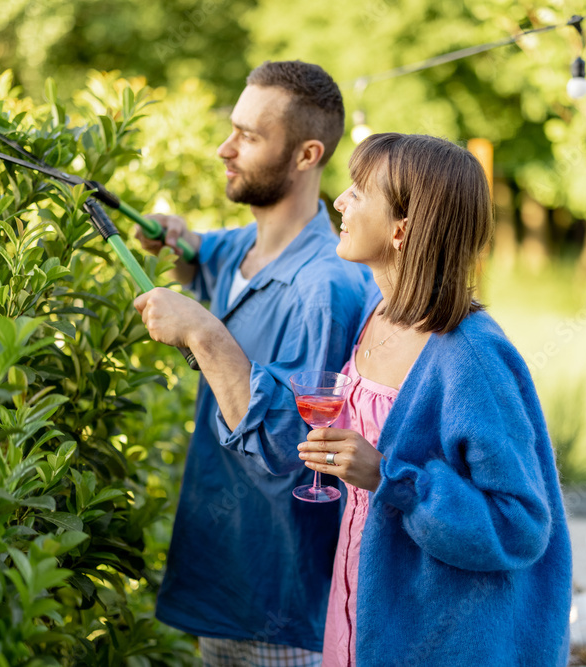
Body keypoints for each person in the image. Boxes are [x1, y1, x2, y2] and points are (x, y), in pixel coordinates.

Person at [296, 133, 572, 666]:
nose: (339, 201)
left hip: (437, 639)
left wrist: (388, 477)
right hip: (360, 610)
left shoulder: (472, 356)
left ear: (402, 228)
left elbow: (521, 526)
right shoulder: (375, 314)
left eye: (359, 191)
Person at [132, 61, 370, 665]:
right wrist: (176, 240)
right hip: (223, 581)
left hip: (283, 602)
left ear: (306, 154)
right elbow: (202, 255)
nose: (224, 148)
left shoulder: (327, 287)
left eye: (250, 136)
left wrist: (206, 335)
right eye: (231, 128)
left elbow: (293, 449)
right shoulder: (241, 245)